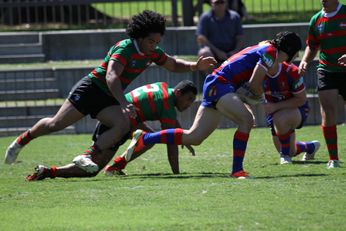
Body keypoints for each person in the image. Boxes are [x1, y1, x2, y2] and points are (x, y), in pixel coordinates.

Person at [4, 10, 216, 166]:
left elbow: (172, 64)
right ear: (140, 36)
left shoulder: (152, 52)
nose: (154, 45)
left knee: (123, 124)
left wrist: (194, 66)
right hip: (91, 89)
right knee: (55, 124)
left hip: (109, 97)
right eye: (151, 41)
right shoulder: (125, 48)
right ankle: (21, 141)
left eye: (157, 42)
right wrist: (124, 104)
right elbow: (112, 77)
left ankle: (86, 156)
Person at [119, 31, 302, 179]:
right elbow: (255, 83)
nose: (294, 59)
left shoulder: (267, 47)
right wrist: (257, 98)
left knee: (194, 137)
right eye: (295, 54)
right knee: (246, 120)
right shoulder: (271, 52)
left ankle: (145, 139)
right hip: (221, 83)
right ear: (291, 50)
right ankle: (237, 170)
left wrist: (248, 96)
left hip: (218, 83)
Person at [26, 80, 197, 181]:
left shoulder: (164, 90)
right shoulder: (167, 103)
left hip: (119, 118)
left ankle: (49, 171)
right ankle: (49, 171)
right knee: (91, 169)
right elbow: (171, 143)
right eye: (188, 99)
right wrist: (176, 174)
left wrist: (184, 136)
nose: (189, 104)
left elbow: (172, 127)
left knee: (146, 139)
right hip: (119, 123)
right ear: (179, 93)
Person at [298, 0, 346, 169]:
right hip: (326, 70)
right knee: (328, 110)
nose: (322, 0)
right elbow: (313, 45)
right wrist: (304, 60)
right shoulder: (316, 19)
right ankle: (333, 158)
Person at [263, 61, 320, 164]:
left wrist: (275, 106)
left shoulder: (291, 71)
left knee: (281, 118)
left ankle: (284, 156)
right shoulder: (258, 72)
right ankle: (311, 147)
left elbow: (301, 99)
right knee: (291, 151)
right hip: (274, 112)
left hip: (298, 108)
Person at [196, 0, 244, 66]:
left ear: (226, 3)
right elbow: (201, 38)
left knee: (245, 54)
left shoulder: (235, 16)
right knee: (204, 53)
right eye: (217, 2)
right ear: (211, 3)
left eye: (222, 2)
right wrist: (218, 52)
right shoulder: (205, 17)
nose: (219, 5)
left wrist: (234, 52)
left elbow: (240, 38)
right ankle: (212, 76)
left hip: (232, 52)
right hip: (213, 52)